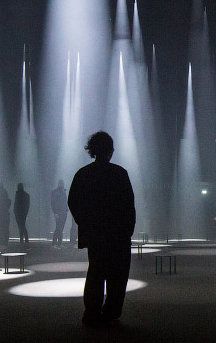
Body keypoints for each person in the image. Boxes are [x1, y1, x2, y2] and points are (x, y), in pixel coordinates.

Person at [69, 131, 136, 328]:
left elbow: (73, 201)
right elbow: (128, 205)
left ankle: (92, 312)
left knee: (96, 272)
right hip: (118, 234)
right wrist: (127, 229)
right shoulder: (119, 173)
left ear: (93, 150)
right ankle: (111, 311)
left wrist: (85, 223)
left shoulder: (83, 174)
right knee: (118, 276)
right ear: (110, 150)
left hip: (96, 234)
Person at [50, 179, 68, 248]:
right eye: (61, 183)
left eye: (62, 183)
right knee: (58, 228)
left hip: (63, 212)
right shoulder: (55, 192)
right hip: (59, 212)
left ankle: (59, 243)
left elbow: (64, 202)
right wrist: (55, 212)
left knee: (61, 228)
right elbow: (53, 203)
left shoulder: (63, 192)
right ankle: (54, 243)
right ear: (59, 184)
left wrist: (66, 210)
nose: (62, 184)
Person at [0, 183, 11, 248]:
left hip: (0, 214)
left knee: (0, 228)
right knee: (4, 228)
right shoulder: (4, 193)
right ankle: (4, 243)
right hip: (4, 213)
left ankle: (1, 243)